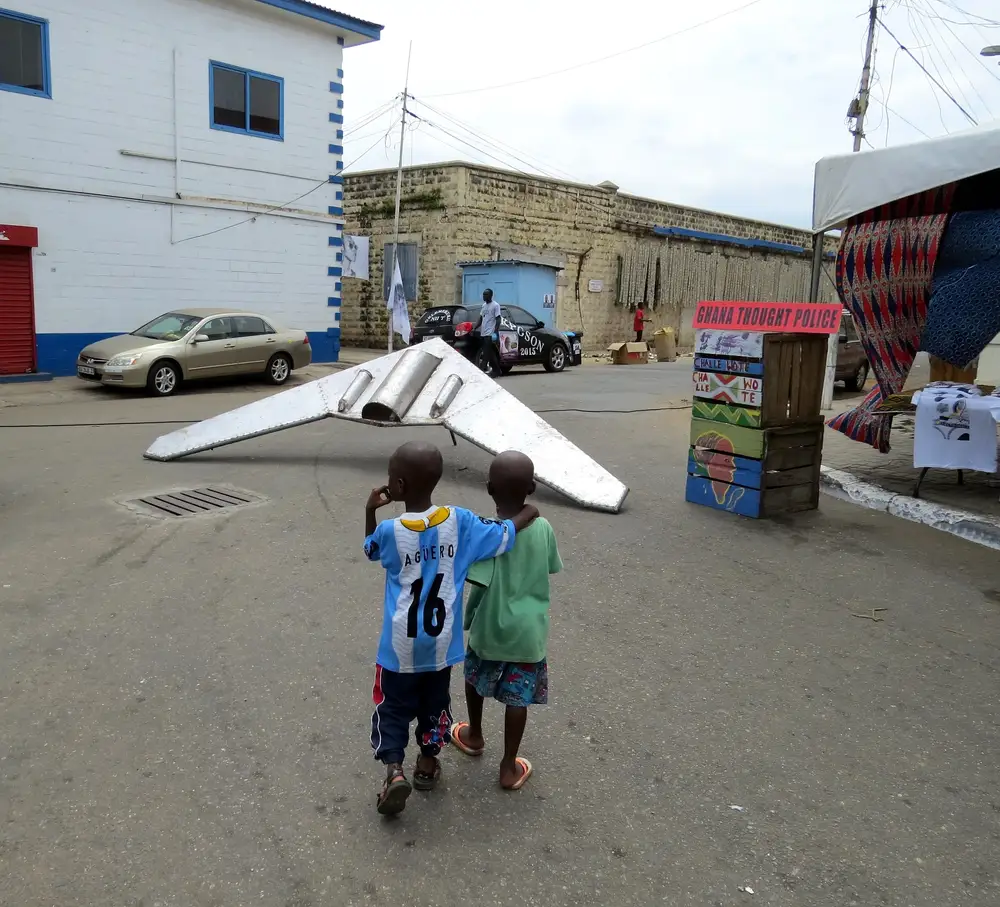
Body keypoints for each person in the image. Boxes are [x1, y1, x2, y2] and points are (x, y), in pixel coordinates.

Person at [363, 441, 539, 816]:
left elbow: (371, 550)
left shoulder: (391, 531)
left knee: (392, 708)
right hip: (441, 647)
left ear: (396, 485)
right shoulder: (460, 522)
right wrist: (530, 511)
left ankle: (395, 770)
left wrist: (370, 512)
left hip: (398, 650)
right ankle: (427, 764)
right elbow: (506, 532)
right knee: (434, 705)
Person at [450, 451, 562, 791]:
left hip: (490, 630)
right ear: (531, 487)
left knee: (474, 680)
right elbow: (550, 568)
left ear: (488, 489)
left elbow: (479, 588)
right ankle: (508, 765)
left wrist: (469, 621)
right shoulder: (543, 528)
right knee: (518, 700)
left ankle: (475, 734)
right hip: (528, 636)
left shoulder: (489, 537)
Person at [479, 289, 502, 370]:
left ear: (491, 295)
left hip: (490, 333)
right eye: (483, 294)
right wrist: (474, 327)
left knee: (486, 352)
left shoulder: (495, 305)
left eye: (486, 294)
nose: (484, 296)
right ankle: (497, 370)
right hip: (483, 333)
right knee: (490, 353)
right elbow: (481, 318)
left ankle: (482, 369)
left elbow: (498, 319)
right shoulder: (483, 305)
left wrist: (495, 332)